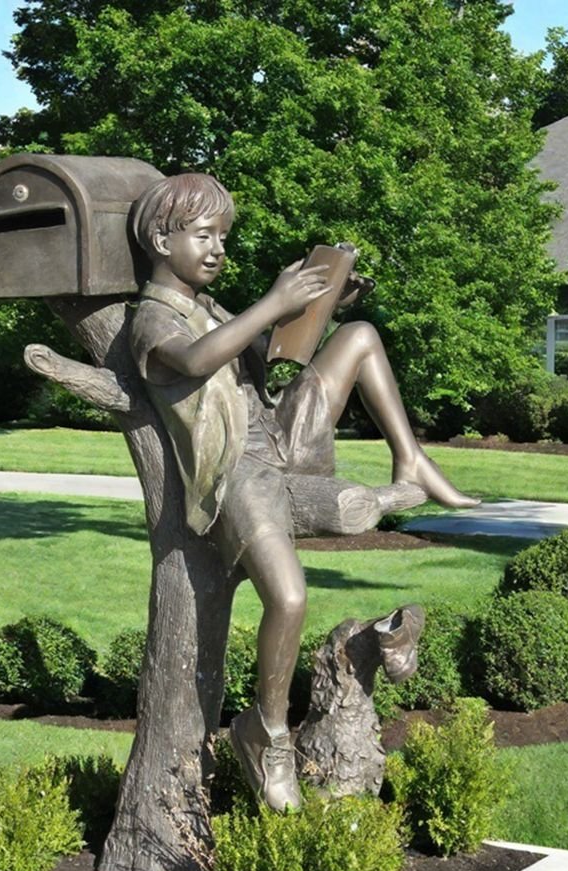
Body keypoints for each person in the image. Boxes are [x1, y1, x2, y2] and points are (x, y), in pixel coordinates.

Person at [130, 173, 477, 812]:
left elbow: (255, 357)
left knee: (361, 336)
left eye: (223, 238)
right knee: (288, 598)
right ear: (160, 238)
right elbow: (199, 360)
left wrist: (319, 306)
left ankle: (413, 458)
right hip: (238, 472)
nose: (217, 250)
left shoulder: (209, 307)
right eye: (203, 236)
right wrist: (272, 300)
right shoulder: (150, 319)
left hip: (280, 441)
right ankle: (266, 734)